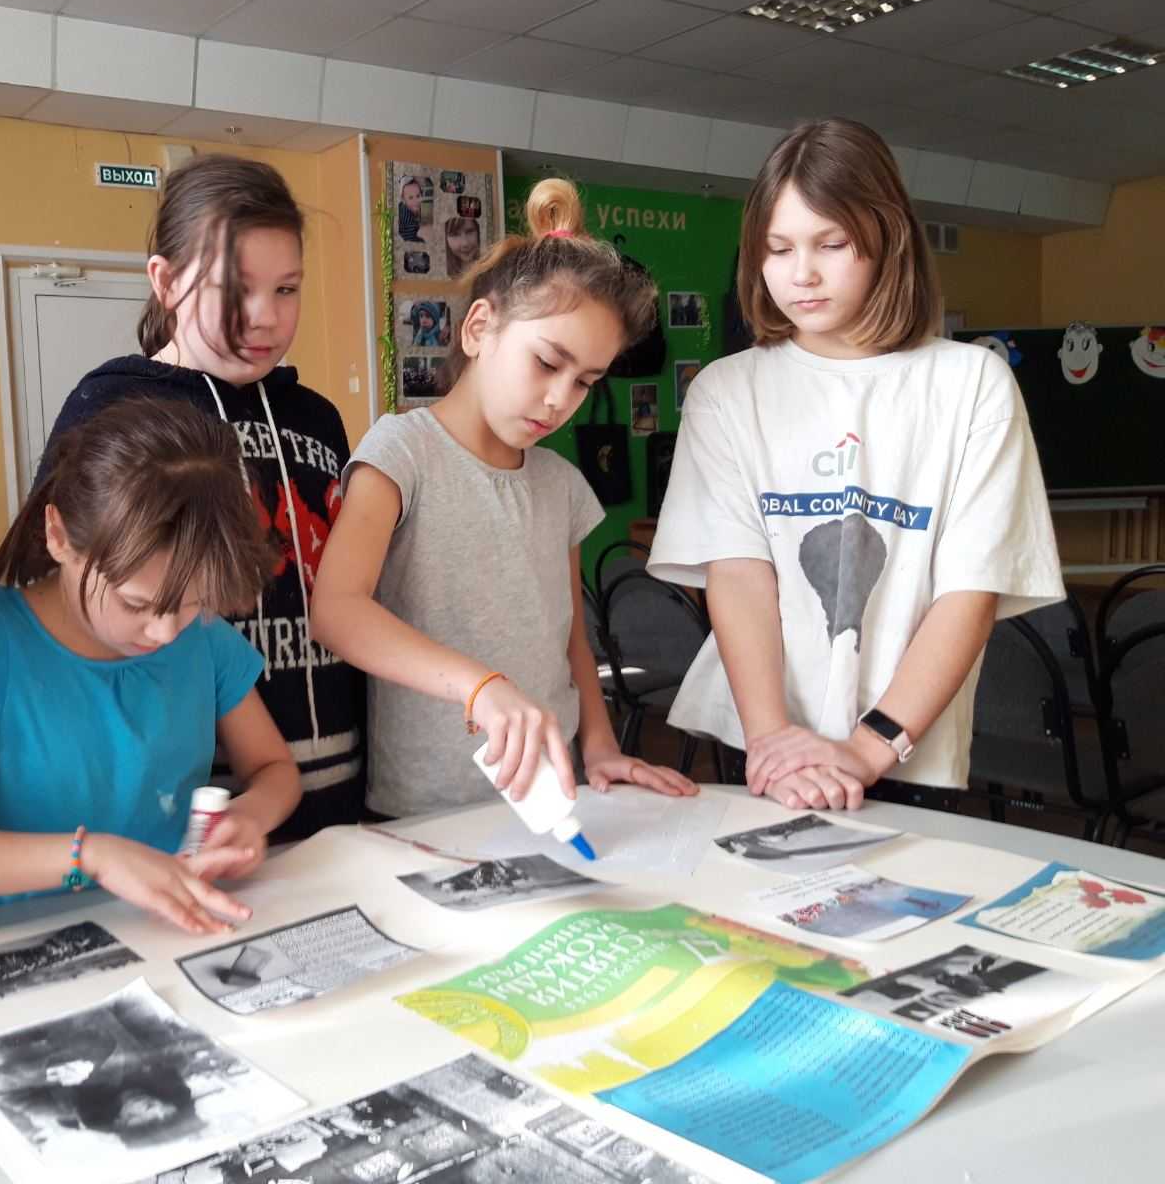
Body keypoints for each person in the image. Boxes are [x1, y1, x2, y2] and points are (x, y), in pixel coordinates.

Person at [647, 118, 1062, 812]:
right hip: (761, 743)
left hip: (906, 744)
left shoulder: (971, 384)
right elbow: (739, 574)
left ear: (887, 239)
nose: (801, 273)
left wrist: (871, 746)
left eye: (831, 244)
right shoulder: (725, 390)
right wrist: (771, 740)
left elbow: (970, 591)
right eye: (778, 249)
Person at [312, 179, 697, 818]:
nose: (561, 400)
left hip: (553, 795)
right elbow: (336, 611)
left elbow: (570, 638)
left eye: (586, 382)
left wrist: (600, 745)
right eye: (547, 363)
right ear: (479, 328)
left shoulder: (561, 483)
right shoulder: (402, 452)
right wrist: (480, 686)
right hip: (430, 808)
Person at [0, 397, 300, 932]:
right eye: (136, 604)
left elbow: (275, 770)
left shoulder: (204, 641)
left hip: (172, 936)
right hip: (21, 950)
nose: (166, 631)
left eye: (194, 602)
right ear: (58, 536)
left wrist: (250, 816)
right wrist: (91, 857)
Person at [37, 153, 364, 843]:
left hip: (334, 774)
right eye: (234, 289)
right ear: (166, 281)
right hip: (184, 803)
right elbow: (56, 589)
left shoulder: (318, 419)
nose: (264, 317)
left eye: (286, 289)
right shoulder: (112, 404)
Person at [398, 176, 425, 243]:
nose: (416, 201)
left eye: (418, 196)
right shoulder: (406, 214)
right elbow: (411, 238)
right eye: (410, 197)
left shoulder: (405, 207)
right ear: (403, 200)